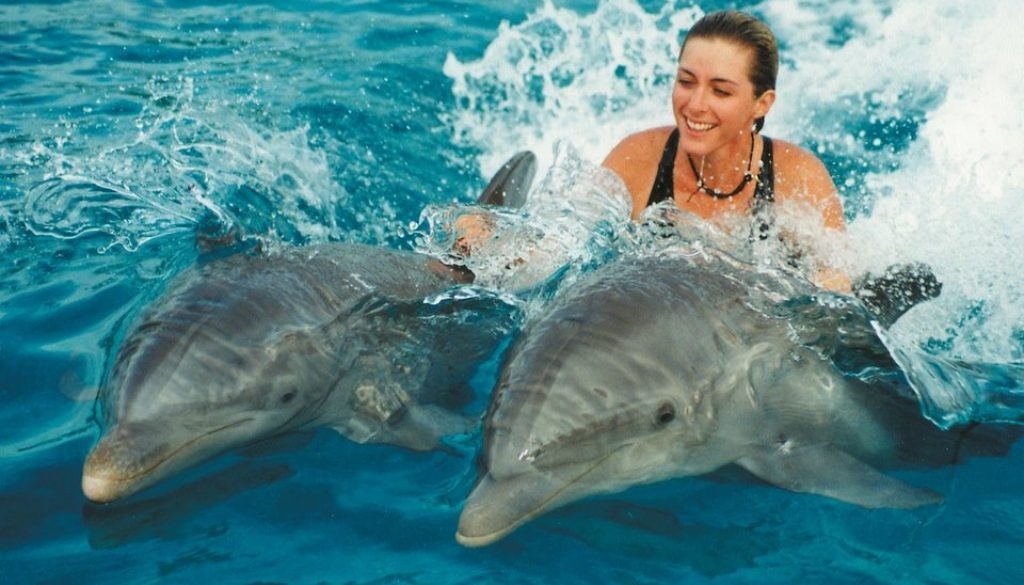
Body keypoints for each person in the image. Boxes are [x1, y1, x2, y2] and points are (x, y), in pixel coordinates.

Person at [601, 10, 851, 291]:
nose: (695, 104)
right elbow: (564, 249)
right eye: (686, 81)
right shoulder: (636, 159)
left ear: (762, 103)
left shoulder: (798, 179)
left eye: (720, 91)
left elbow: (836, 291)